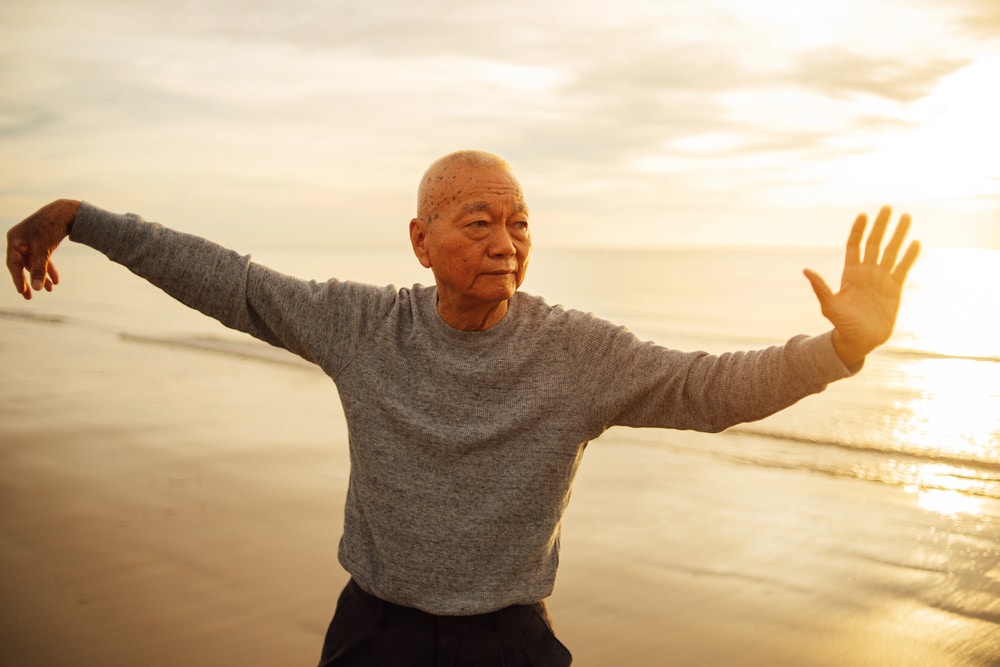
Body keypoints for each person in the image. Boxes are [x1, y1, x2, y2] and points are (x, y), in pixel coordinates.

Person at [5, 150, 919, 666]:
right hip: (375, 631)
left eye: (518, 222)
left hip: (510, 643)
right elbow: (232, 283)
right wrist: (85, 218)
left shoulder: (576, 353)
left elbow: (705, 388)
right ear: (421, 239)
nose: (505, 241)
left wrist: (838, 351)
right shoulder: (362, 326)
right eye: (477, 220)